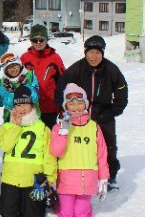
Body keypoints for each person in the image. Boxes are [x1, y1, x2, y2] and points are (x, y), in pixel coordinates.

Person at [55, 35, 128, 190]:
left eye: (97, 53)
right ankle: (67, 176)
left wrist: (113, 111)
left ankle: (110, 177)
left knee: (108, 146)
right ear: (85, 52)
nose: (94, 56)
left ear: (102, 53)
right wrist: (66, 110)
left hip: (103, 114)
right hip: (77, 115)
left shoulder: (111, 69)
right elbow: (60, 88)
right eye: (90, 52)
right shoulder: (76, 69)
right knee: (72, 144)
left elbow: (122, 91)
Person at [0, 86, 57, 217]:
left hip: (34, 179)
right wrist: (15, 126)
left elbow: (49, 155)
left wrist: (50, 177)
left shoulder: (42, 127)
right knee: (8, 215)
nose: (22, 108)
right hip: (11, 178)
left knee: (35, 216)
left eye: (25, 104)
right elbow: (6, 146)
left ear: (32, 105)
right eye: (18, 105)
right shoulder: (7, 126)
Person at [50, 84, 109, 217]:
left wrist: (104, 177)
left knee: (82, 216)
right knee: (67, 215)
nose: (76, 107)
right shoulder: (58, 127)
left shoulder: (94, 127)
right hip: (67, 178)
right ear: (66, 106)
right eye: (72, 104)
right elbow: (56, 151)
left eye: (80, 103)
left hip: (87, 178)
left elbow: (101, 154)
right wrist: (63, 131)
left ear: (86, 105)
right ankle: (55, 201)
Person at [20, 25, 66, 129]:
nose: (38, 43)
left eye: (41, 39)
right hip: (29, 107)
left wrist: (62, 106)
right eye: (35, 40)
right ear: (31, 41)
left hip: (49, 107)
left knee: (47, 138)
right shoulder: (24, 58)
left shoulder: (55, 58)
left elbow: (63, 83)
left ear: (46, 40)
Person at [0, 52, 40, 122]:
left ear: (20, 65)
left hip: (31, 117)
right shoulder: (4, 82)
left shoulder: (30, 76)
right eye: (9, 68)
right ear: (5, 70)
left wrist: (26, 85)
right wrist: (10, 92)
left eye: (15, 66)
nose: (13, 70)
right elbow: (8, 104)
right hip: (13, 118)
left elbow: (35, 98)